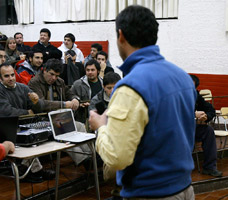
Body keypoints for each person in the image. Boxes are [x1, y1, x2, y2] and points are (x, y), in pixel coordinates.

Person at [89, 5, 197, 199]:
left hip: (150, 193)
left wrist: (100, 127)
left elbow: (117, 158)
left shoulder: (130, 87)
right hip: (185, 188)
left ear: (120, 36)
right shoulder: (183, 77)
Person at [0, 63, 54, 182]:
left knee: (46, 132)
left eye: (12, 75)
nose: (11, 78)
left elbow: (38, 108)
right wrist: (27, 112)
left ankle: (27, 168)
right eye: (7, 76)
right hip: (4, 126)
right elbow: (6, 112)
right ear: (0, 78)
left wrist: (36, 102)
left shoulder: (22, 87)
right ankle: (34, 171)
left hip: (24, 124)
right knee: (29, 138)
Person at [28, 58, 92, 167]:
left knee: (80, 126)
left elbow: (70, 93)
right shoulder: (34, 82)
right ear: (44, 70)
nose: (54, 78)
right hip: (43, 119)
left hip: (59, 117)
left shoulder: (60, 81)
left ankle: (92, 156)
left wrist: (75, 99)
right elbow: (41, 104)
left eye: (56, 75)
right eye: (51, 74)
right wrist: (63, 104)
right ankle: (84, 160)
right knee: (64, 131)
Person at [191, 74, 222, 177]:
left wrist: (206, 116)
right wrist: (193, 114)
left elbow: (210, 109)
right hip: (177, 129)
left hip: (191, 128)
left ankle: (209, 167)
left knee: (208, 130)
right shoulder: (174, 95)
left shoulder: (195, 95)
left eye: (192, 87)